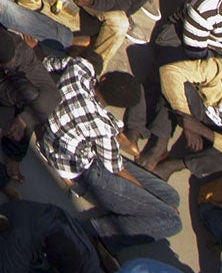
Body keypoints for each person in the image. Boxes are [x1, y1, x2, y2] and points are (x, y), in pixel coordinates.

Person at [37, 50, 182, 245]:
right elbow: (115, 168)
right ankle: (93, 231)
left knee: (171, 197)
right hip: (84, 173)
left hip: (82, 150)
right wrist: (147, 194)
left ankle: (133, 206)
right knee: (172, 221)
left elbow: (47, 63)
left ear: (103, 77)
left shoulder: (79, 68)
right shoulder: (101, 125)